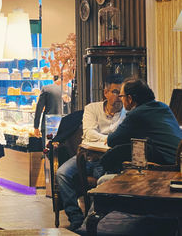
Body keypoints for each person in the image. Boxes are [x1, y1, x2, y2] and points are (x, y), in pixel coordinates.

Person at [56, 74, 125, 231]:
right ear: (105, 93)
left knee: (103, 180)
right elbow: (89, 133)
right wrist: (110, 139)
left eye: (122, 93)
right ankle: (75, 217)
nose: (119, 97)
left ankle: (94, 221)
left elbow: (121, 138)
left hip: (108, 159)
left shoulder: (126, 113)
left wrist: (104, 139)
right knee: (62, 174)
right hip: (85, 156)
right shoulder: (92, 108)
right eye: (115, 92)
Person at [105, 78, 182, 167]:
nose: (120, 99)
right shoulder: (163, 107)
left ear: (129, 99)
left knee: (104, 177)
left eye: (121, 96)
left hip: (166, 168)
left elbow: (112, 140)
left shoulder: (136, 114)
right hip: (178, 163)